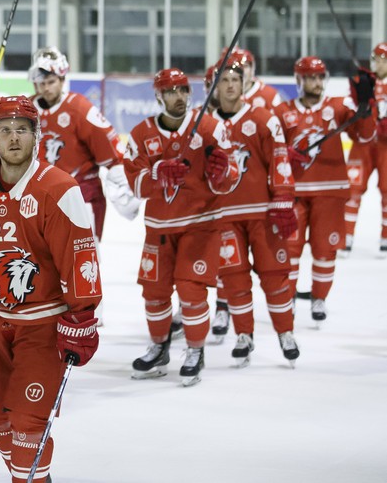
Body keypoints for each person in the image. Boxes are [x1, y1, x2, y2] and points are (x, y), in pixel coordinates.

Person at [0, 95, 101, 483]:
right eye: (5, 130)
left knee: (28, 423)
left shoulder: (58, 188)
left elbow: (79, 261)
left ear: (37, 136)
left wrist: (82, 315)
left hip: (43, 325)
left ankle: (29, 476)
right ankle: (30, 473)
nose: (13, 138)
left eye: (22, 130)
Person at [123, 68, 239, 386]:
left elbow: (230, 180)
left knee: (191, 290)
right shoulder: (140, 134)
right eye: (171, 91)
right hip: (159, 227)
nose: (179, 97)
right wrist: (158, 172)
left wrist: (221, 172)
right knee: (155, 293)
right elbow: (135, 183)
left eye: (184, 90)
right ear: (158, 96)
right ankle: (160, 349)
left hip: (200, 224)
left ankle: (195, 350)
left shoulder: (211, 128)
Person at [209, 58, 300, 367]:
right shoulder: (205, 126)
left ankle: (285, 332)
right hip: (224, 216)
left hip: (262, 212)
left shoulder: (263, 119)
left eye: (235, 78)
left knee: (275, 276)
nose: (231, 84)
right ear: (215, 86)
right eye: (224, 80)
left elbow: (279, 159)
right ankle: (243, 335)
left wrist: (284, 198)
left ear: (244, 83)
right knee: (234, 279)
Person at [274, 56, 376, 324]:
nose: (316, 82)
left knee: (324, 249)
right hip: (294, 192)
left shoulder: (339, 107)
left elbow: (364, 136)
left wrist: (368, 104)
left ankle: (319, 298)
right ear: (299, 80)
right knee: (291, 248)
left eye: (320, 77)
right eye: (310, 77)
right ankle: (289, 299)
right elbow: (268, 149)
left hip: (330, 191)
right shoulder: (283, 111)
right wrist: (284, 153)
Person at [28, 47, 139, 241]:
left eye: (51, 82)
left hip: (81, 196)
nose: (46, 88)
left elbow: (111, 150)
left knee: (82, 263)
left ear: (62, 79)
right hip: (39, 197)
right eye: (41, 83)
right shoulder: (28, 109)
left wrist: (122, 181)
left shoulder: (79, 108)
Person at [342, 42, 387, 257]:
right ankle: (346, 236)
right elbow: (351, 108)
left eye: (383, 59)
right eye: (376, 59)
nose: (379, 63)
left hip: (386, 146)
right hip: (363, 144)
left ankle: (386, 237)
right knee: (352, 189)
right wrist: (359, 90)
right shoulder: (365, 81)